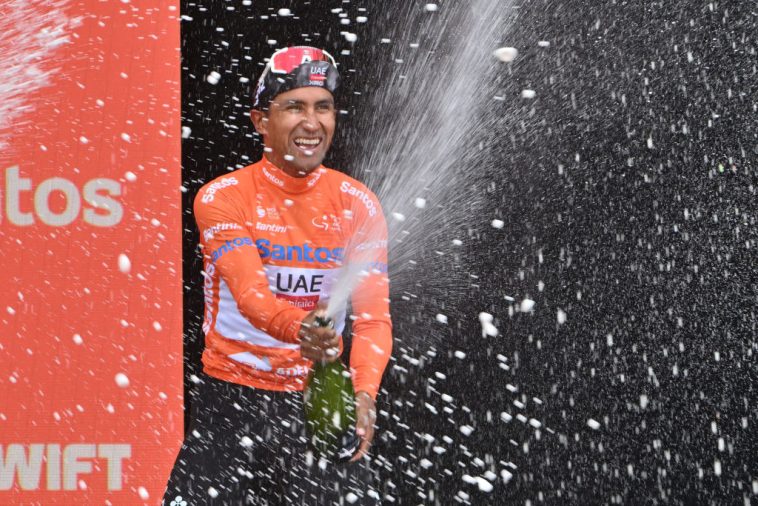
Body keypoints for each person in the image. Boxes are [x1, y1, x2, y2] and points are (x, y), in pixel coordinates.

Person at [163, 46, 392, 505]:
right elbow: (252, 297)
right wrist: (300, 327)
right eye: (294, 107)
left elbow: (373, 320)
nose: (312, 123)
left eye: (322, 107)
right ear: (260, 121)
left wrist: (364, 393)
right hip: (229, 399)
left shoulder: (358, 203)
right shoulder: (222, 196)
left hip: (318, 402)